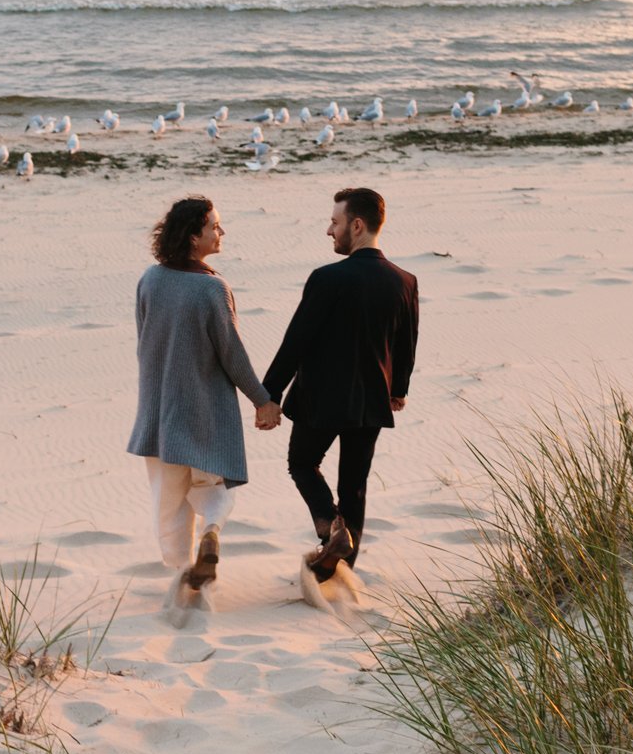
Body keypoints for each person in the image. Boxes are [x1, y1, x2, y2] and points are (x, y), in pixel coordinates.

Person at [262, 185, 420, 581]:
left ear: (358, 225)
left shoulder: (327, 278)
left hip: (322, 398)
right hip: (371, 401)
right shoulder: (405, 280)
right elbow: (406, 341)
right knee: (355, 485)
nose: (329, 231)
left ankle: (330, 529)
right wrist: (398, 388)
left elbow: (297, 340)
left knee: (302, 463)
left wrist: (270, 394)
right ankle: (340, 571)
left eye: (335, 222)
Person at [128, 195, 282, 589]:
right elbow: (232, 354)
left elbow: (143, 341)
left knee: (169, 498)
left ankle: (182, 576)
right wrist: (262, 400)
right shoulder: (213, 290)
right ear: (193, 235)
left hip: (159, 411)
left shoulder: (149, 280)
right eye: (214, 226)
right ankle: (211, 530)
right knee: (211, 486)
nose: (221, 232)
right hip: (204, 410)